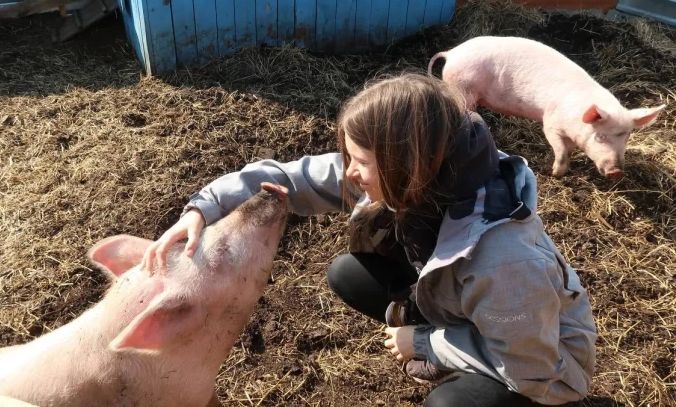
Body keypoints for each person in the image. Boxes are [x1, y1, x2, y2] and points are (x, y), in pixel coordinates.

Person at [141, 74, 597, 406]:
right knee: (349, 274)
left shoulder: (503, 260)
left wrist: (424, 343)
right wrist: (202, 208)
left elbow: (532, 369)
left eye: (360, 161)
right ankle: (448, 342)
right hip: (472, 310)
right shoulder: (424, 172)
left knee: (449, 404)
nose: (350, 173)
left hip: (545, 369)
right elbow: (291, 178)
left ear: (408, 163)